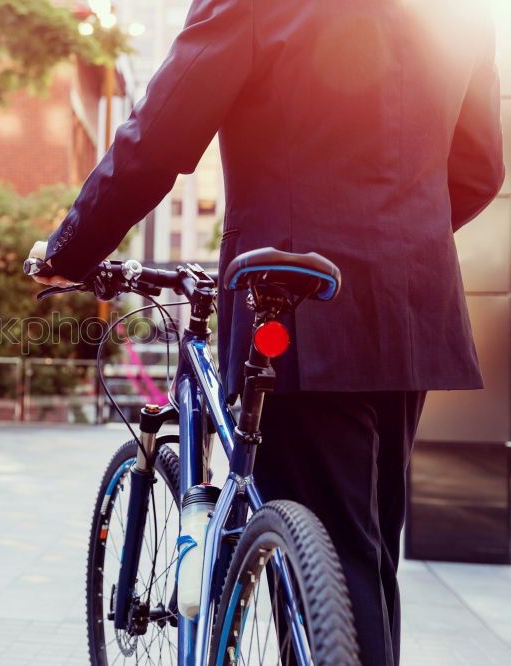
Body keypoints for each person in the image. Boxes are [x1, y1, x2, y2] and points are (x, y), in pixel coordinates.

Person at [28, 1, 504, 664]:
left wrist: (70, 250)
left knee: (329, 558)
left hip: (293, 301)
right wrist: (393, 243)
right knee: (363, 550)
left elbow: (160, 136)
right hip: (410, 304)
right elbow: (481, 169)